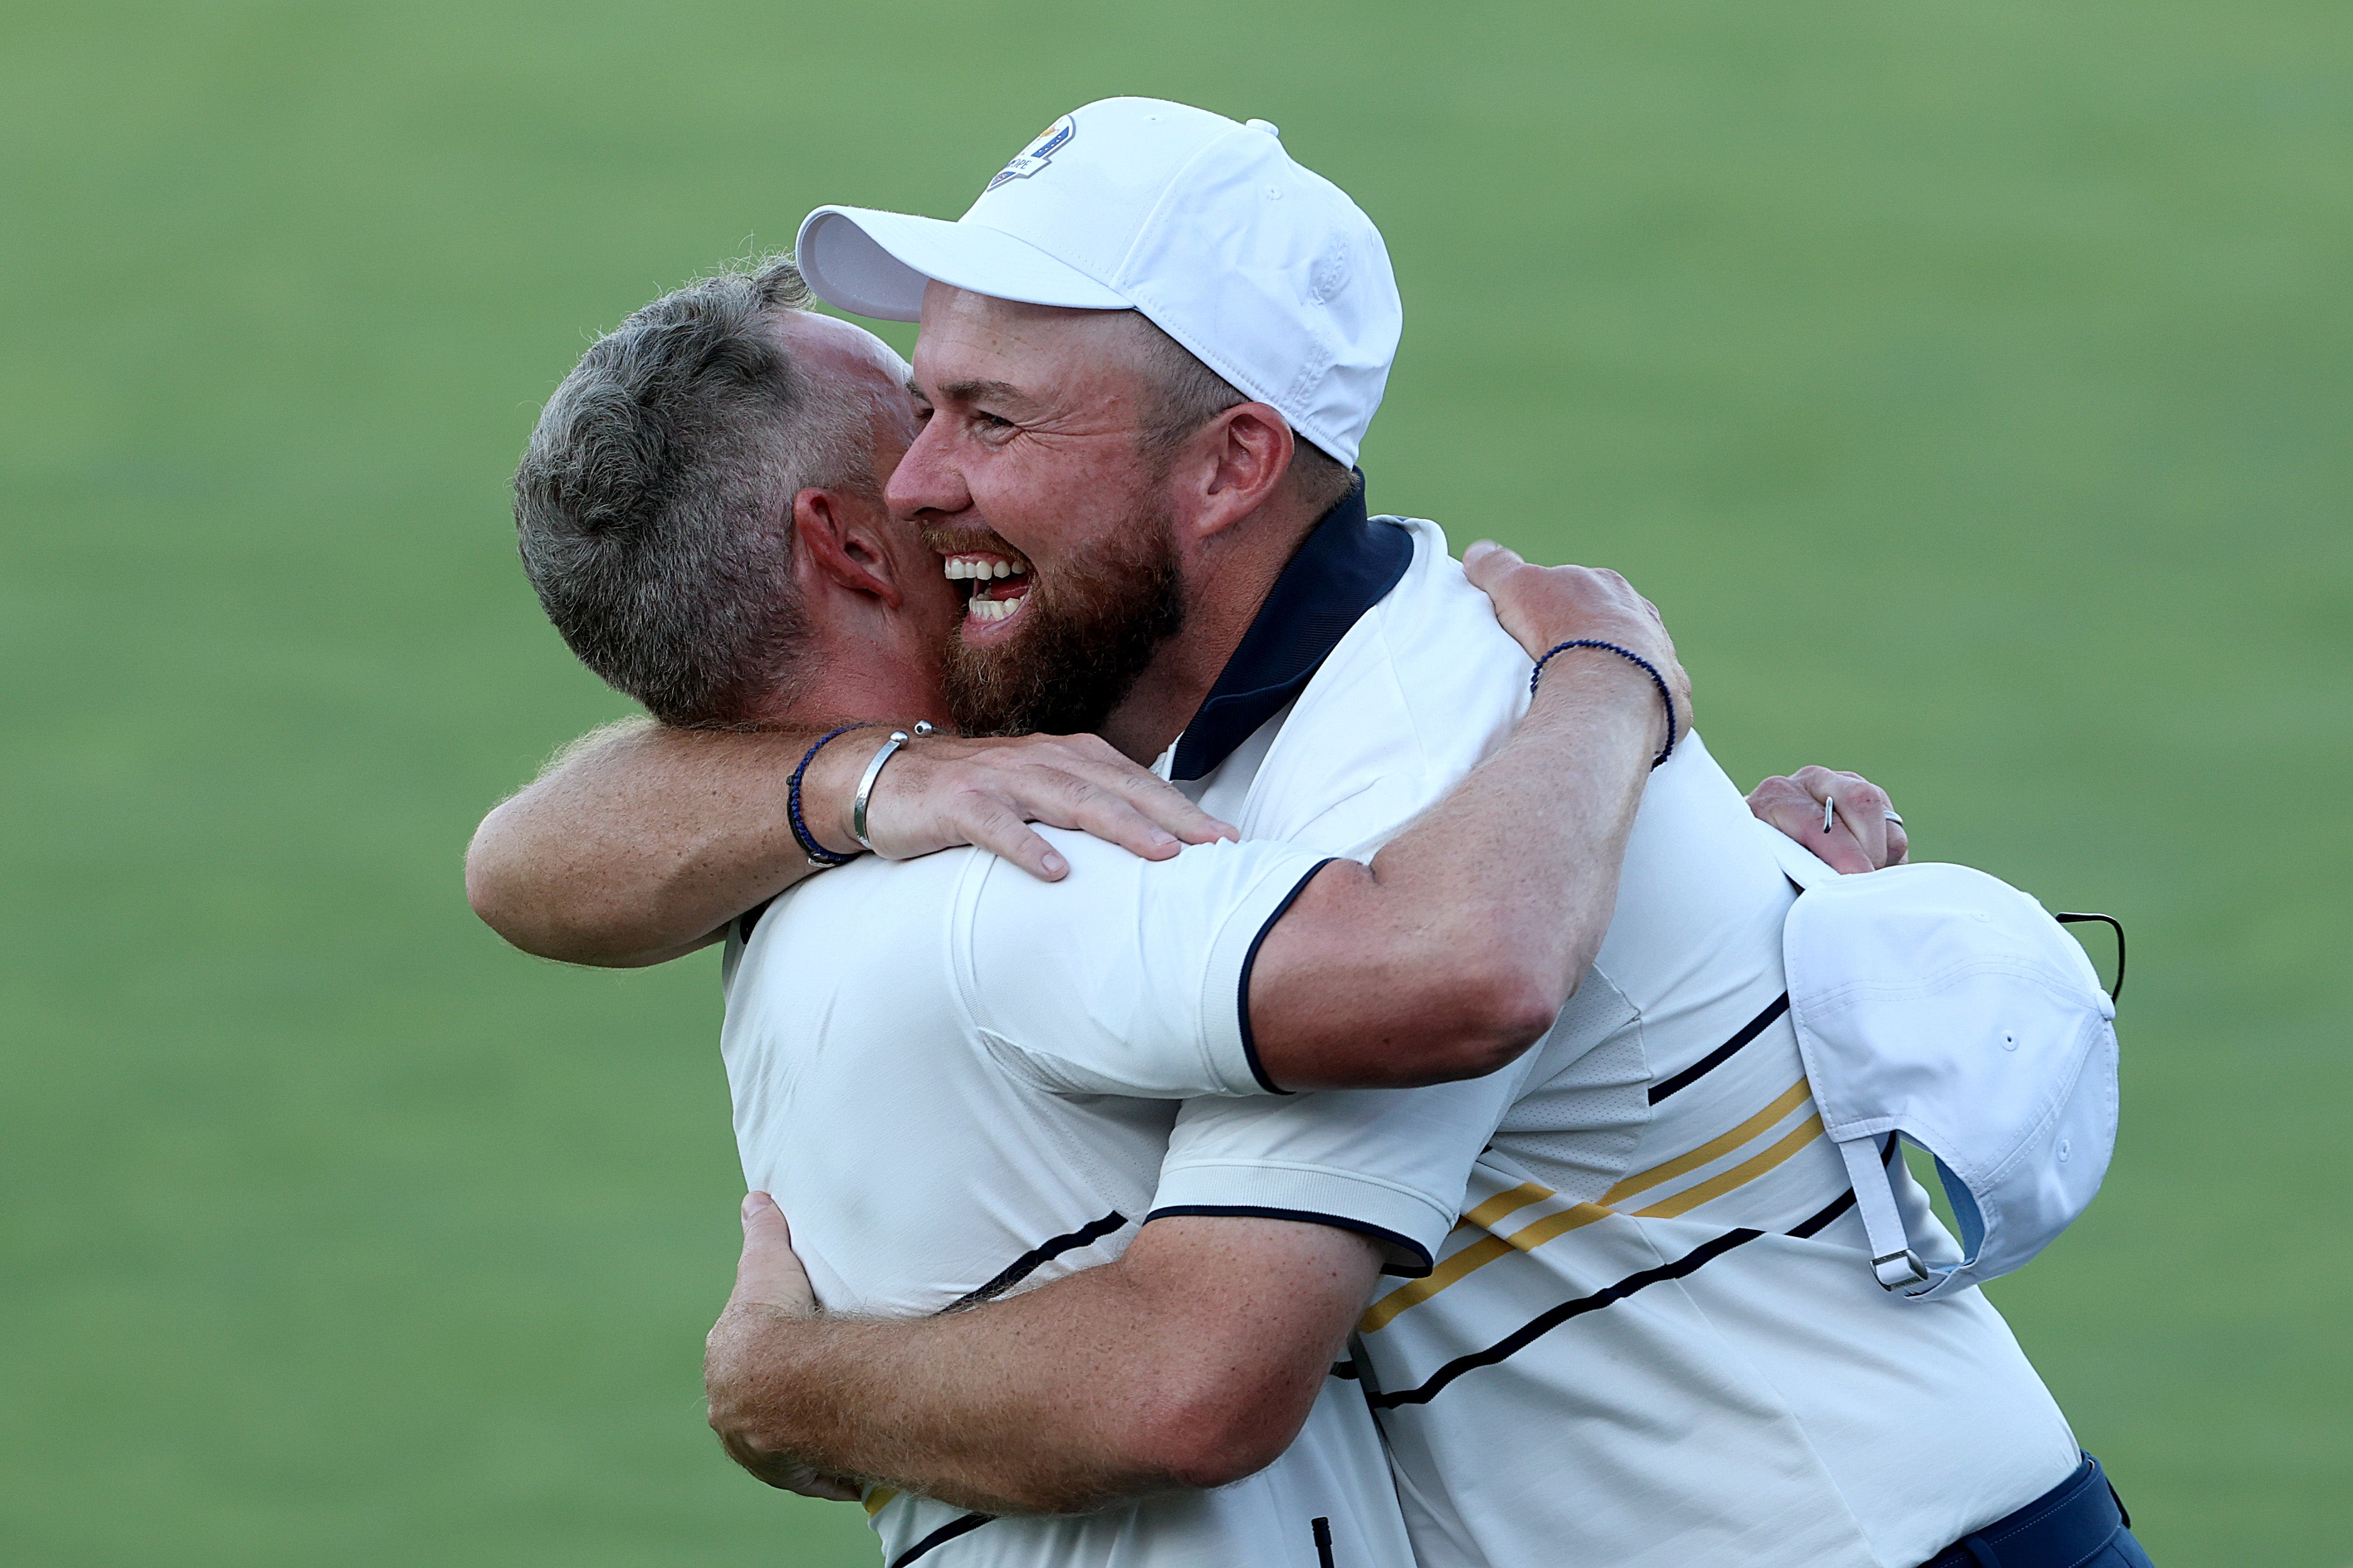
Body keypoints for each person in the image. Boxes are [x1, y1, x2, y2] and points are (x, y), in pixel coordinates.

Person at [474, 99, 2147, 1568]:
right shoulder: (1119, 738)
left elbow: (1192, 1377)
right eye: (924, 410)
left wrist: (790, 1389)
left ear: (1230, 467)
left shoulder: (1421, 751)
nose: (915, 486)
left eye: (987, 419)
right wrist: (866, 775)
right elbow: (532, 857)